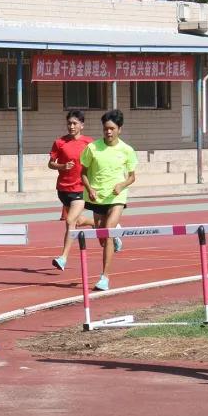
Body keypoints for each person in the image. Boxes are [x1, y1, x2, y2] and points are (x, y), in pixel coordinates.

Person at [79, 109, 136, 292]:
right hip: (97, 198)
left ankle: (104, 277)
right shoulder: (92, 148)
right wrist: (90, 188)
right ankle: (114, 238)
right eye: (105, 129)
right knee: (103, 239)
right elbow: (83, 173)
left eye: (112, 128)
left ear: (120, 129)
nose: (108, 132)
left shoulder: (127, 150)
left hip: (116, 197)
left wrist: (122, 185)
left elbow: (132, 177)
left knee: (108, 231)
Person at [48, 110, 95, 272]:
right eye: (69, 123)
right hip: (63, 189)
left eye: (75, 123)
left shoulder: (89, 143)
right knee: (78, 221)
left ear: (82, 125)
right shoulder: (59, 142)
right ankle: (106, 226)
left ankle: (63, 257)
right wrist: (62, 166)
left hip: (80, 188)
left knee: (70, 222)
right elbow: (51, 163)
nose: (71, 126)